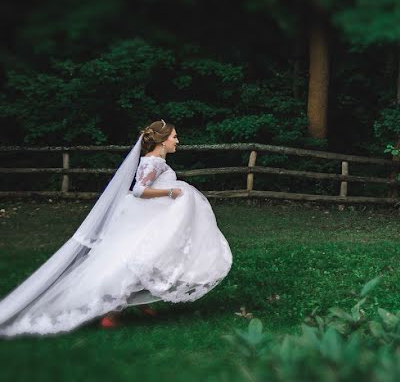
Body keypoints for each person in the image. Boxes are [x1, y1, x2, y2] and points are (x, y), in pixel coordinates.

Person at [0, 120, 232, 336]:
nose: (177, 141)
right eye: (174, 136)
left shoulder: (157, 162)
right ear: (162, 141)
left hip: (154, 214)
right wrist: (171, 192)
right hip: (151, 214)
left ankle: (141, 301)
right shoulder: (153, 162)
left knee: (156, 257)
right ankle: (113, 311)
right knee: (139, 259)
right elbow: (140, 190)